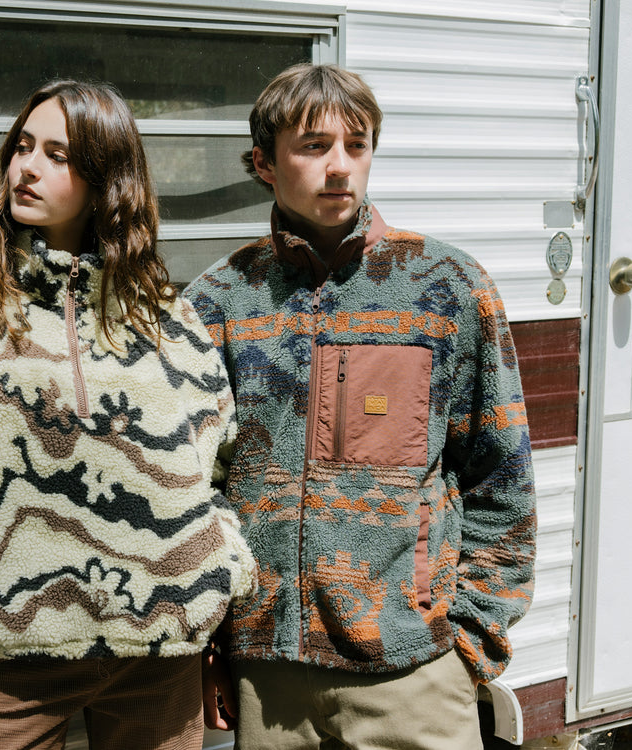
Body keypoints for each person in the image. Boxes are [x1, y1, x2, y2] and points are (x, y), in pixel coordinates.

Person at [0, 79, 257, 750]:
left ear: (107, 178)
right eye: (22, 147)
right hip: (10, 664)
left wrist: (219, 583)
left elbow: (217, 470)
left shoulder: (168, 319)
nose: (28, 167)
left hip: (161, 659)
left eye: (57, 154)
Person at [186, 63, 536, 749]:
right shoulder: (218, 302)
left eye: (357, 144)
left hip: (414, 672)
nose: (340, 166)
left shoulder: (447, 288)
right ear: (264, 162)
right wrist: (210, 647)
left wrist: (471, 639)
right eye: (314, 146)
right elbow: (195, 493)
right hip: (267, 678)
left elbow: (502, 477)